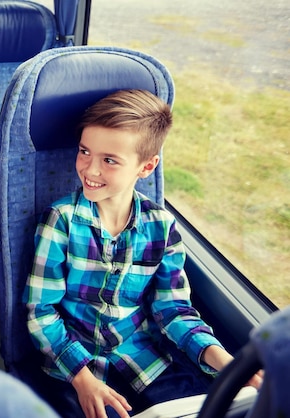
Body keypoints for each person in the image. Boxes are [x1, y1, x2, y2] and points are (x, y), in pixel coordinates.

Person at [23, 89, 262, 418]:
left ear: (146, 166)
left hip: (145, 360)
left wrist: (228, 364)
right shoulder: (60, 221)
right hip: (75, 365)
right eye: (84, 152)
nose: (90, 170)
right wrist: (81, 379)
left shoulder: (162, 227)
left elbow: (173, 309)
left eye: (109, 160)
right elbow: (41, 311)